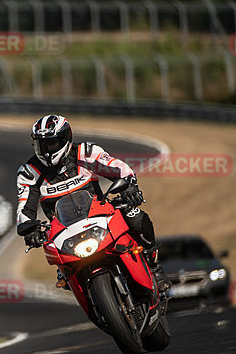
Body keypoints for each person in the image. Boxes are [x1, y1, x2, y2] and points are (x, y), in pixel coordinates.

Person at [16, 114, 170, 292]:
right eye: (41, 145)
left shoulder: (86, 152)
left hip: (100, 214)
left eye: (52, 144)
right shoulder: (28, 173)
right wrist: (29, 228)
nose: (47, 150)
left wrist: (129, 186)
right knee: (58, 266)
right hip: (63, 230)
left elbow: (119, 168)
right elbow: (24, 206)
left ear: (66, 139)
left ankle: (154, 267)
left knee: (136, 217)